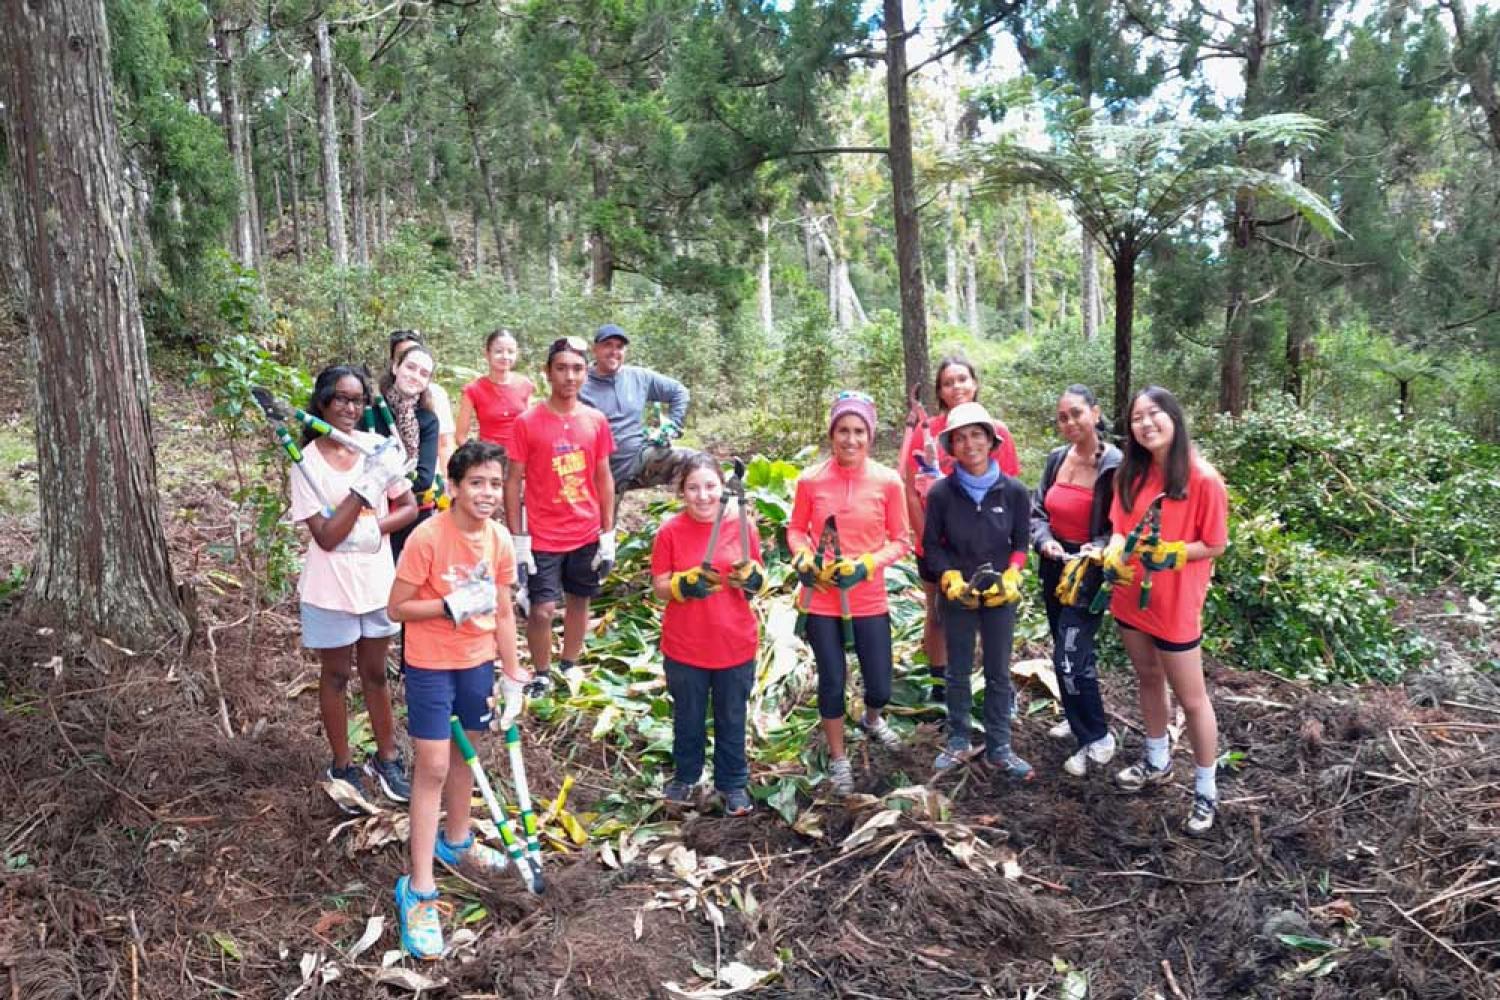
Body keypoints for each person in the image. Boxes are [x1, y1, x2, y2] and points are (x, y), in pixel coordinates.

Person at [387, 440, 529, 959]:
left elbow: (507, 613)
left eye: (495, 483)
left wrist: (512, 675)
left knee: (469, 754)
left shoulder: (500, 541)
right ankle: (419, 888)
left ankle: (458, 839)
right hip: (430, 664)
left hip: (477, 661)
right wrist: (446, 605)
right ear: (454, 487)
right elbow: (397, 608)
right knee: (432, 765)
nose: (488, 492)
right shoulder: (427, 537)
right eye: (477, 483)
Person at [289, 365, 416, 807]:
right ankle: (342, 765)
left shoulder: (376, 448)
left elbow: (409, 506)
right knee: (338, 674)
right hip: (330, 587)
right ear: (323, 402)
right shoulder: (305, 463)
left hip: (376, 581)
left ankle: (388, 757)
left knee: (377, 673)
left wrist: (375, 527)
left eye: (357, 400)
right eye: (340, 399)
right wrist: (364, 491)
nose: (349, 408)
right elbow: (324, 536)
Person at [1106, 386, 1229, 835]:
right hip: (1129, 596)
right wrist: (1114, 556)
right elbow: (1119, 529)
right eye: (1137, 417)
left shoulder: (1203, 480)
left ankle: (1205, 788)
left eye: (1154, 414)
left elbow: (1216, 543)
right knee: (1147, 677)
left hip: (1175, 604)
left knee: (1192, 698)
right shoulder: (1131, 474)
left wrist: (1177, 553)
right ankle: (1156, 759)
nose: (1146, 423)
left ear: (1174, 418)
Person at [787, 391, 911, 797]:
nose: (851, 439)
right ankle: (840, 759)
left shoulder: (888, 481)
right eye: (843, 430)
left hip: (867, 596)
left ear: (870, 436)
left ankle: (872, 719)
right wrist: (805, 559)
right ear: (832, 433)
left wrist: (866, 565)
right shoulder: (811, 480)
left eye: (859, 431)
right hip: (822, 598)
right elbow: (795, 530)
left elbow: (901, 541)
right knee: (832, 680)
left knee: (880, 685)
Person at [898, 355, 1021, 707]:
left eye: (963, 379)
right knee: (938, 611)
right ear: (940, 391)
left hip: (987, 543)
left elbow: (1009, 486)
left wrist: (1010, 543)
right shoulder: (927, 432)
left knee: (991, 611)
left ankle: (998, 682)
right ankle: (941, 684)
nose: (957, 387)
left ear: (975, 383)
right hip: (937, 542)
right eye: (948, 382)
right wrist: (927, 541)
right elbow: (909, 487)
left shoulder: (996, 431)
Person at [922, 402, 1034, 780]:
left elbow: (1022, 541)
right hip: (958, 593)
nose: (970, 444)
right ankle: (958, 739)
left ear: (991, 440)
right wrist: (948, 576)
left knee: (998, 669)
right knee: (957, 668)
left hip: (1000, 591)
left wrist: (1014, 573)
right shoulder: (941, 494)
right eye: (961, 437)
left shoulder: (1015, 492)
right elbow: (931, 545)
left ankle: (1000, 746)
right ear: (951, 446)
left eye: (976, 435)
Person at [650, 454, 765, 817]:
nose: (703, 496)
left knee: (732, 716)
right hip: (685, 646)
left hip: (734, 643)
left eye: (710, 486)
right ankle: (686, 776)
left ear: (723, 487)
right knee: (688, 716)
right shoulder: (669, 531)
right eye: (693, 488)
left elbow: (758, 574)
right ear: (681, 491)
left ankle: (732, 782)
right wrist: (683, 584)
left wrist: (754, 578)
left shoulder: (744, 526)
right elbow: (659, 586)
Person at [505, 337, 616, 692]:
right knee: (541, 609)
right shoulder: (528, 422)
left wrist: (608, 532)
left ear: (586, 373)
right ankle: (541, 671)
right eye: (562, 368)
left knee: (579, 599)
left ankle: (569, 663)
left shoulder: (595, 420)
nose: (570, 376)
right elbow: (513, 481)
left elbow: (603, 476)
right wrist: (516, 538)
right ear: (547, 373)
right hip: (543, 535)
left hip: (584, 530)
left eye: (578, 369)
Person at [1031, 385, 1122, 777]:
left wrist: (1096, 549)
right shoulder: (1056, 460)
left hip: (1089, 571)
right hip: (1055, 565)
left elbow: (1122, 523)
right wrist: (1045, 541)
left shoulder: (1113, 465)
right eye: (1063, 417)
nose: (1070, 423)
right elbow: (1037, 511)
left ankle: (1097, 737)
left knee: (1069, 655)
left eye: (1077, 414)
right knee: (1067, 648)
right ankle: (1075, 714)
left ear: (1096, 414)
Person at [578, 323, 693, 497]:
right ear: (595, 349)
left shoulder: (638, 377)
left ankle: (703, 517)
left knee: (696, 463)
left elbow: (679, 392)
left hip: (639, 459)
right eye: (607, 345)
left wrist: (672, 426)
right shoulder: (579, 383)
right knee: (601, 523)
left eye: (619, 347)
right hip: (599, 472)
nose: (614, 351)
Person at [375, 342, 441, 563]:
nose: (415, 376)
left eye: (424, 373)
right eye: (410, 367)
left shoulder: (427, 420)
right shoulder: (370, 410)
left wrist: (384, 478)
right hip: (371, 508)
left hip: (412, 512)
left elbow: (423, 478)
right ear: (395, 367)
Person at [455, 328, 534, 464]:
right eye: (498, 351)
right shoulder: (473, 389)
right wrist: (477, 458)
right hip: (488, 460)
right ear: (487, 353)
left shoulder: (525, 384)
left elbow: (531, 428)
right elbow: (460, 436)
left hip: (522, 460)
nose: (505, 356)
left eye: (510, 352)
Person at [388, 329, 457, 469]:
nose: (414, 374)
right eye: (408, 362)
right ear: (395, 364)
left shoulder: (435, 397)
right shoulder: (377, 404)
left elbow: (445, 444)